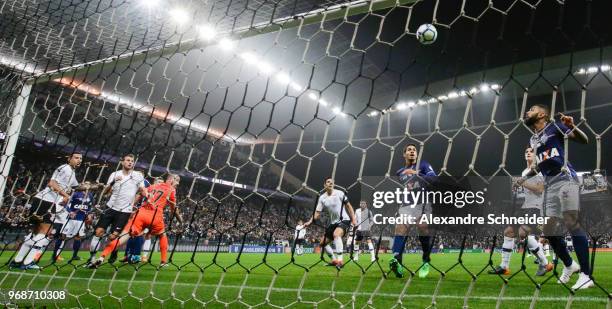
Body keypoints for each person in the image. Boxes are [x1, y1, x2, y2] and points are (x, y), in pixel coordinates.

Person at [520, 104, 592, 290]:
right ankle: (570, 265)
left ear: (542, 114)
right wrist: (523, 178)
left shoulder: (555, 127)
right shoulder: (532, 138)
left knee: (571, 222)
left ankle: (586, 274)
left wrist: (573, 126)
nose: (528, 112)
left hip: (565, 178)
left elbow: (585, 141)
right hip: (550, 185)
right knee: (549, 231)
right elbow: (538, 166)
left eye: (532, 109)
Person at [91, 174, 183, 268]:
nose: (178, 183)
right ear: (171, 179)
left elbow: (140, 194)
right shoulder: (171, 189)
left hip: (140, 213)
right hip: (155, 216)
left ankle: (102, 257)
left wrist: (131, 205)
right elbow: (174, 209)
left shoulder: (152, 186)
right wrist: (180, 221)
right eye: (177, 180)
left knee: (123, 236)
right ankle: (163, 261)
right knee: (162, 235)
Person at [11, 152, 83, 270]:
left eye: (80, 158)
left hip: (43, 201)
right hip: (46, 201)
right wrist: (65, 195)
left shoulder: (72, 172)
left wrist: (94, 186)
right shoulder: (65, 168)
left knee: (35, 232)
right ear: (69, 159)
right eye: (76, 158)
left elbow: (76, 186)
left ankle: (17, 261)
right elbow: (51, 183)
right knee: (47, 231)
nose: (79, 160)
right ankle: (28, 262)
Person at [488, 147, 552, 276]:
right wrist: (518, 185)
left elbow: (540, 189)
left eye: (531, 152)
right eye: (526, 151)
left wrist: (521, 183)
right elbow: (527, 189)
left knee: (522, 233)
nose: (528, 153)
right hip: (525, 206)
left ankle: (546, 263)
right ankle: (504, 267)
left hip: (537, 207)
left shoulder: (539, 170)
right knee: (509, 232)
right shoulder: (525, 171)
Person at [87, 154, 146, 266]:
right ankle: (92, 258)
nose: (130, 162)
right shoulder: (115, 174)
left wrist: (147, 195)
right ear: (122, 162)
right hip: (110, 208)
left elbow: (142, 190)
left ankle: (114, 251)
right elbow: (105, 192)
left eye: (132, 161)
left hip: (125, 211)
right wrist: (113, 182)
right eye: (128, 160)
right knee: (98, 232)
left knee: (113, 237)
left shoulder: (137, 175)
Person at [390, 144, 436, 278]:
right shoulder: (399, 172)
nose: (412, 151)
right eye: (409, 150)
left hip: (422, 203)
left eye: (414, 150)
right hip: (407, 205)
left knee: (423, 227)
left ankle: (426, 261)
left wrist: (417, 174)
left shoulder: (424, 165)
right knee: (400, 228)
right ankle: (397, 262)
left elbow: (434, 179)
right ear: (404, 154)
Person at [304, 177, 357, 268]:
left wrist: (353, 219)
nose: (330, 183)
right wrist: (309, 222)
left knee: (336, 235)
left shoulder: (340, 193)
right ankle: (334, 260)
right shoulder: (322, 198)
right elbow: (317, 213)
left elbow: (349, 206)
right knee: (322, 243)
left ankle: (340, 261)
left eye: (332, 182)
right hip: (333, 223)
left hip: (344, 220)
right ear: (325, 185)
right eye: (328, 182)